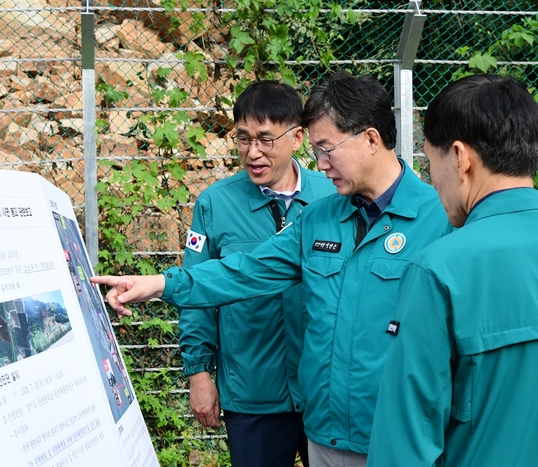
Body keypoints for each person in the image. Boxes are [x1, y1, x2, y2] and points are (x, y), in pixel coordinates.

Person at [91, 70, 451, 466]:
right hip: (324, 435)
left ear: (370, 139)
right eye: (316, 151)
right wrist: (159, 283)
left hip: (395, 437)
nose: (321, 163)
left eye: (327, 149)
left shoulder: (440, 219)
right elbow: (243, 271)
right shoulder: (320, 219)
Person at [367, 75, 538, 466]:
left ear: (460, 157)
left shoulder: (439, 269)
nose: (431, 181)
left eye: (430, 163)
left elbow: (404, 442)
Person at [180, 80, 335, 467]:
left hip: (323, 391)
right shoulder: (215, 203)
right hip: (252, 395)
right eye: (243, 139)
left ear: (297, 136)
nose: (253, 153)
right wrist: (198, 373)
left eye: (265, 140)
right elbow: (198, 291)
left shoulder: (332, 197)